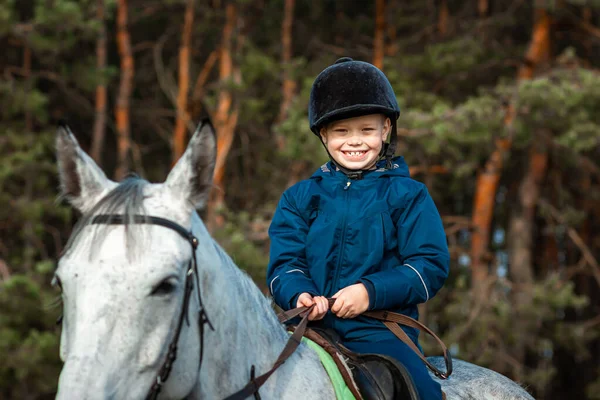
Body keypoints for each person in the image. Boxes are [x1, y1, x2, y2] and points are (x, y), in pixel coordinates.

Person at [266, 57, 450, 400]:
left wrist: (369, 291)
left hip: (380, 330)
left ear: (385, 130)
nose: (355, 141)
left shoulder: (408, 195)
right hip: (308, 327)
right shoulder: (299, 198)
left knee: (421, 392)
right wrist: (299, 293)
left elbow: (429, 265)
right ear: (323, 134)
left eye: (366, 130)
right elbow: (285, 263)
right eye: (341, 131)